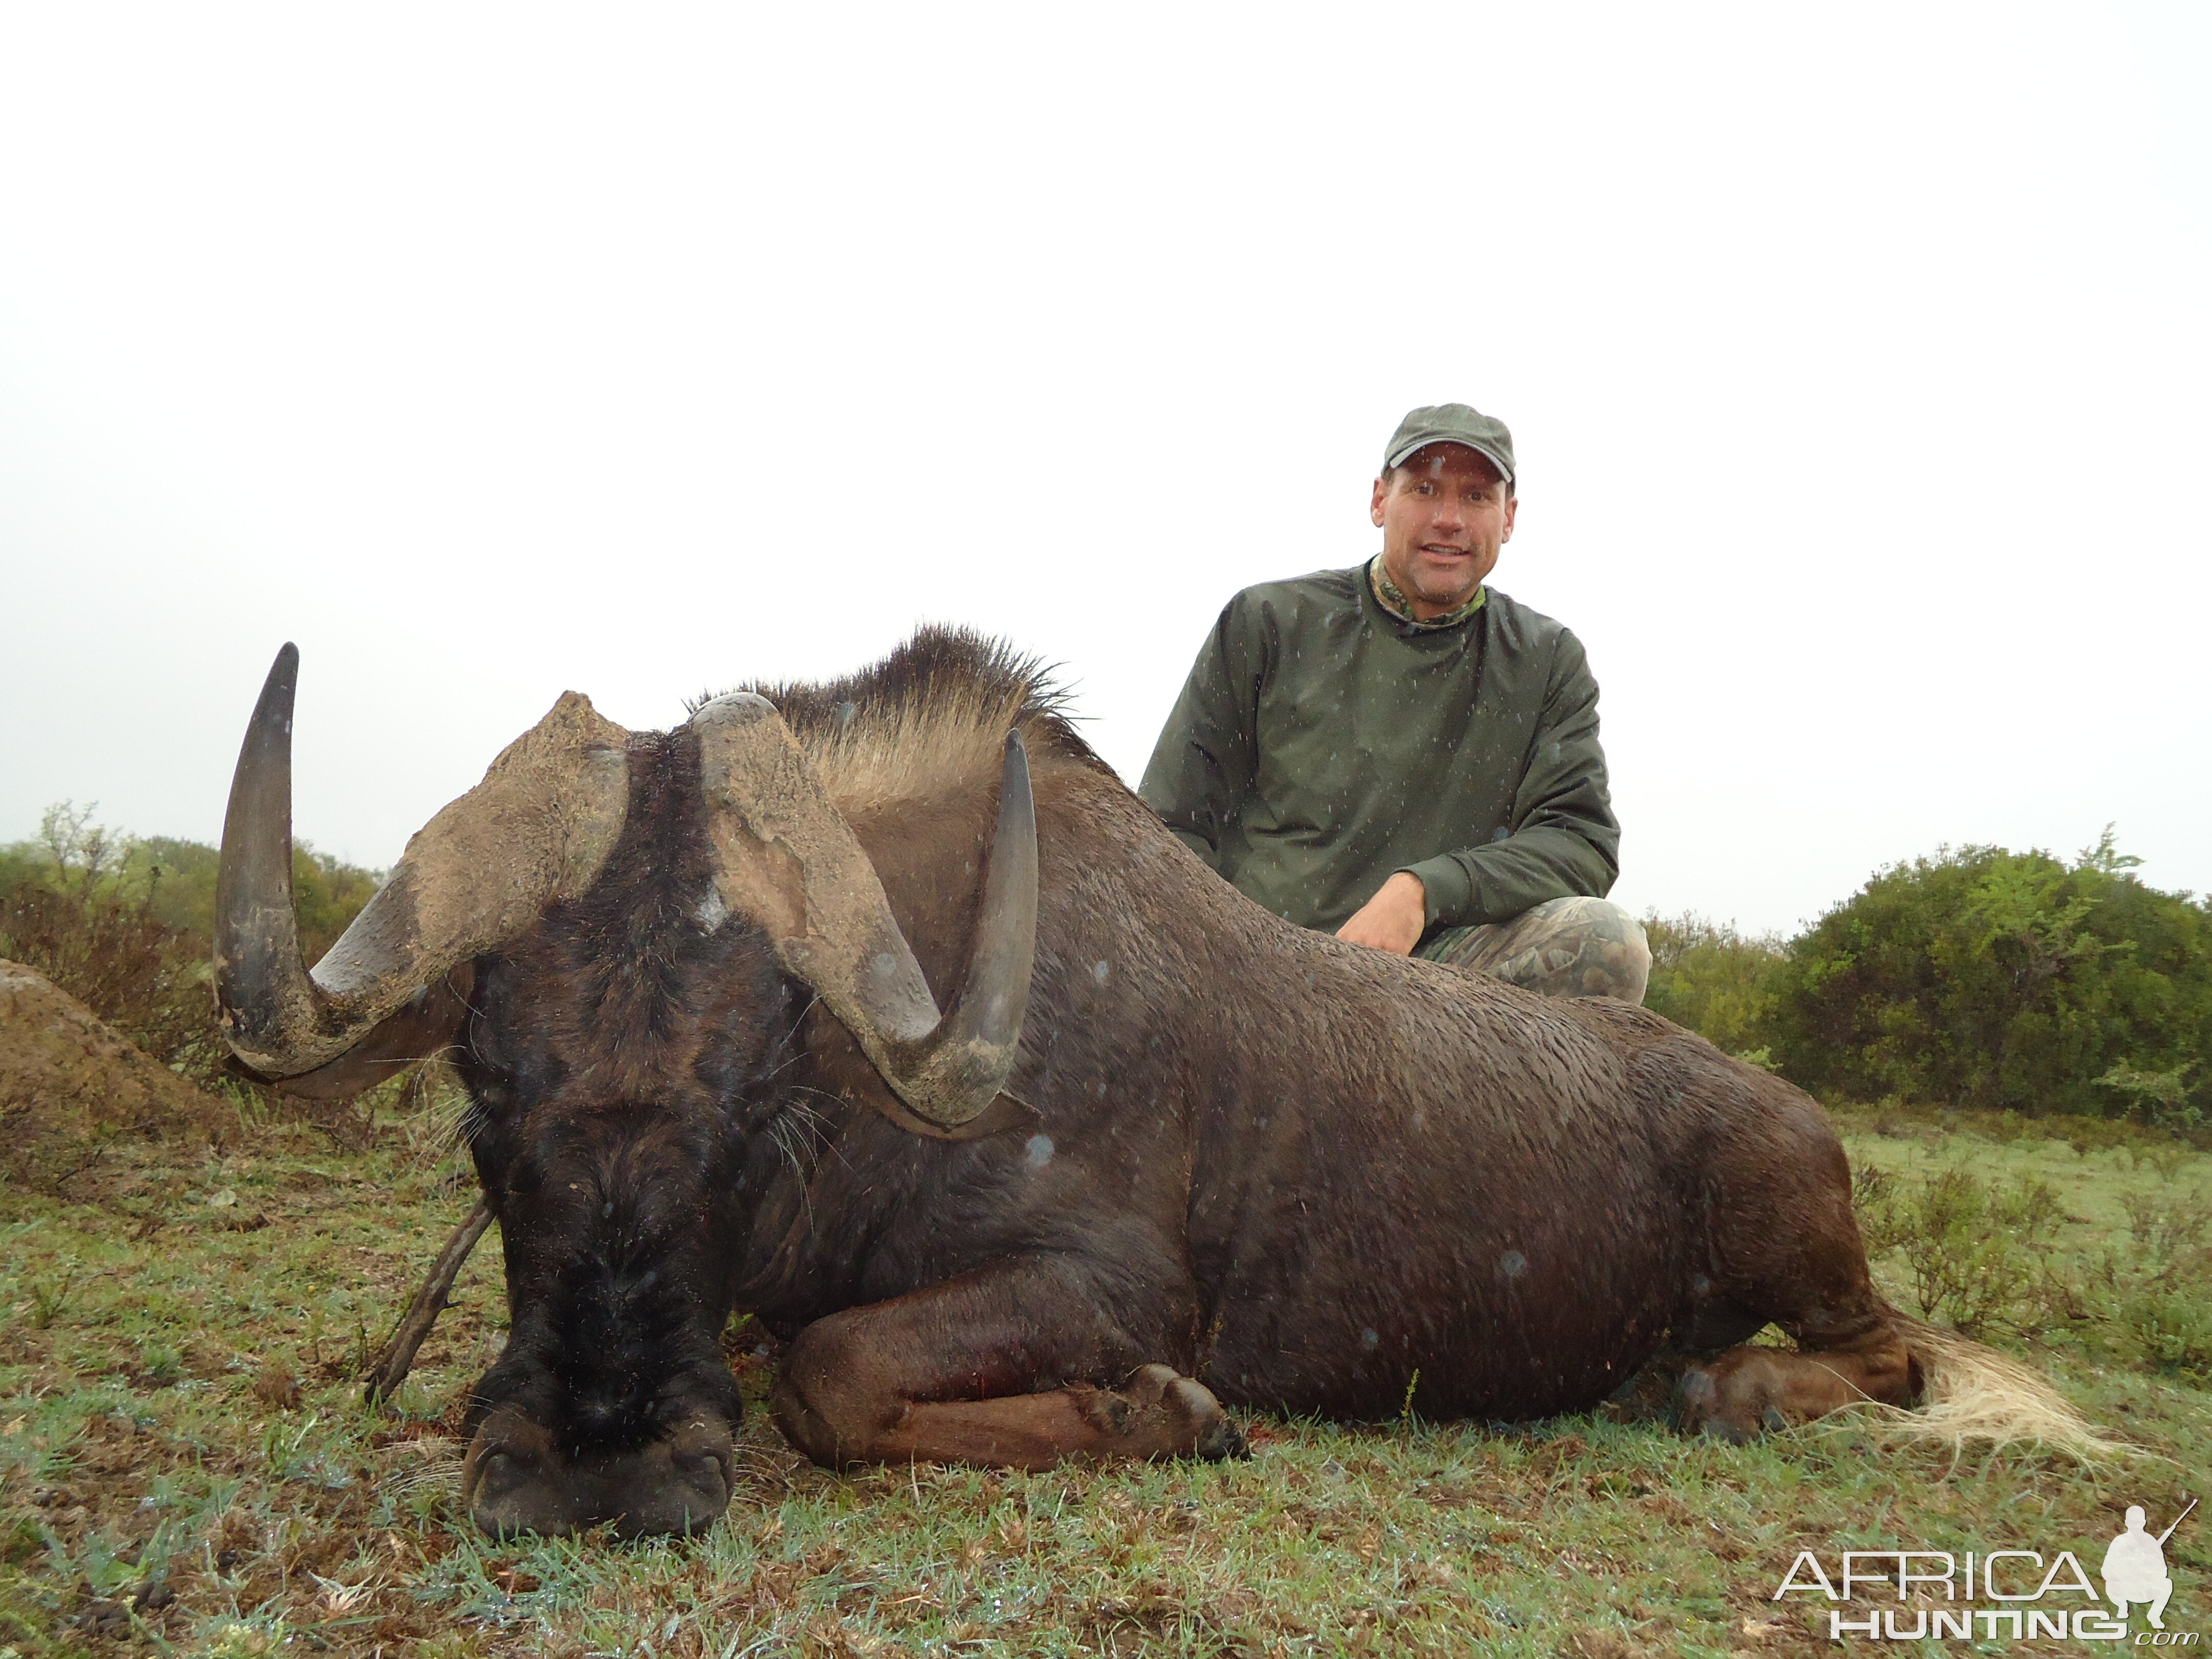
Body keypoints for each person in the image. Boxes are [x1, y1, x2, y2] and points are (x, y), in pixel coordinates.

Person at [1139, 402, 1649, 1003]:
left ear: (1509, 518)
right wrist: (1223, 952)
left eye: (1478, 497)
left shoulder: (1547, 660)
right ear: (1380, 499)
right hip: (1259, 972)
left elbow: (1580, 841)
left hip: (1435, 989)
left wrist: (1424, 890)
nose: (1449, 519)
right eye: (1425, 489)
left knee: (1608, 943)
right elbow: (1171, 824)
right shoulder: (1269, 621)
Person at [2101, 1506, 2174, 1629]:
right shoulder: (2119, 1542)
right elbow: (2106, 1569)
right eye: (2133, 1522)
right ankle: (2122, 1606)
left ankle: (2155, 1615)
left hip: (2144, 1587)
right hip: (2123, 1587)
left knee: (2167, 1584)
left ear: (2144, 1522)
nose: (2136, 1526)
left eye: (2139, 1522)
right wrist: (2125, 1570)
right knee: (2112, 1583)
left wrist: (2148, 1569)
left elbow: (2162, 1570)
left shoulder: (2151, 1542)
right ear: (2127, 1523)